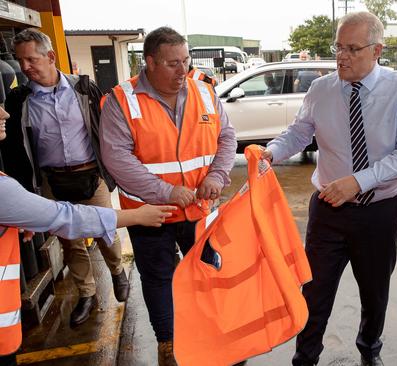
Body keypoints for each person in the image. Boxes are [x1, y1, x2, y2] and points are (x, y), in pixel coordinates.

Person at [262, 12, 397, 366]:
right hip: (328, 212)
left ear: (377, 49)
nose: (342, 56)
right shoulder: (321, 89)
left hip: (379, 213)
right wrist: (271, 152)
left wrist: (359, 181)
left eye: (352, 48)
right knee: (314, 292)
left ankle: (369, 350)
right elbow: (300, 133)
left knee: (374, 290)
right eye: (339, 46)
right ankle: (305, 358)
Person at [99, 26, 236, 366]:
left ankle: (213, 329)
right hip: (150, 213)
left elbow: (228, 138)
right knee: (158, 278)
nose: (182, 71)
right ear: (149, 62)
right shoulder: (121, 100)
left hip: (200, 210)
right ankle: (167, 341)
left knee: (208, 271)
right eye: (173, 63)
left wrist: (217, 175)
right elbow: (117, 158)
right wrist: (167, 192)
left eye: (186, 61)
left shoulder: (204, 92)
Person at [0, 104, 174, 366]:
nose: (5, 114)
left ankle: (117, 274)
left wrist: (18, 215)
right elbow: (67, 218)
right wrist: (136, 216)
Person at [1, 28, 127, 328]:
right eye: (21, 61)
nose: (25, 67)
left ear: (51, 56)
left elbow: (106, 128)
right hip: (51, 180)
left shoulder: (84, 88)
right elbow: (16, 147)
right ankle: (87, 293)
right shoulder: (21, 99)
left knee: (105, 230)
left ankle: (117, 270)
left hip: (90, 174)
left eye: (31, 59)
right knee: (71, 241)